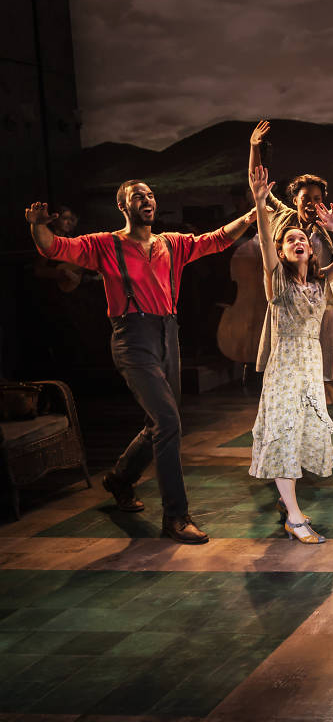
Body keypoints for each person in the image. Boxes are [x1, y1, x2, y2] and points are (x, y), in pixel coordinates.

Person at [25, 184, 256, 543]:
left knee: (161, 422)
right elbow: (53, 247)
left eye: (149, 195)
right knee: (167, 422)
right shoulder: (105, 244)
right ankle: (176, 516)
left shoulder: (172, 244)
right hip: (132, 338)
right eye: (137, 196)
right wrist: (39, 226)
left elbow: (217, 239)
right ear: (122, 206)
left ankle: (119, 479)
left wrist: (252, 214)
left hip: (167, 333)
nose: (146, 200)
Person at [248, 121, 333, 464]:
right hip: (289, 311)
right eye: (307, 199)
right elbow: (258, 186)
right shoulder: (284, 218)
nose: (313, 204)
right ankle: (284, 449)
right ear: (296, 200)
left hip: (324, 308)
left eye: (318, 199)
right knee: (287, 381)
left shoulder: (330, 219)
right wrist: (254, 147)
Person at [247, 165, 333, 544]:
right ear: (281, 251)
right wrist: (261, 204)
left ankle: (291, 508)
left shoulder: (321, 280)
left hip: (311, 366)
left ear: (310, 248)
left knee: (299, 437)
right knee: (283, 436)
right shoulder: (276, 281)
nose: (296, 241)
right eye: (289, 240)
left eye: (301, 239)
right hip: (285, 369)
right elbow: (264, 242)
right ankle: (294, 517)